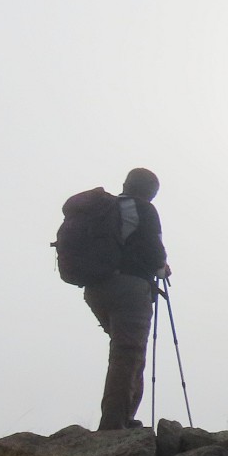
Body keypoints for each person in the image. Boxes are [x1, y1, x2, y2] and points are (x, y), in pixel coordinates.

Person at [83, 167, 169, 430]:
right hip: (129, 288)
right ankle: (115, 427)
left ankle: (123, 419)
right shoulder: (143, 209)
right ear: (151, 192)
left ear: (125, 183)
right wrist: (162, 267)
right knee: (128, 354)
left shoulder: (104, 209)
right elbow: (155, 254)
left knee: (126, 352)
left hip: (95, 289)